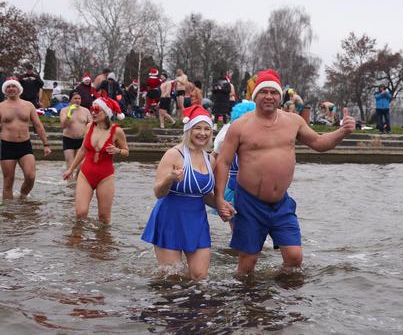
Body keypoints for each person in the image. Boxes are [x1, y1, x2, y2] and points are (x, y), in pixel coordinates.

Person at [214, 69, 356, 275]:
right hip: (249, 203)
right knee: (248, 262)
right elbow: (224, 162)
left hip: (281, 203)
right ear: (256, 96)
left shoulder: (293, 121)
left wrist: (342, 132)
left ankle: (280, 298)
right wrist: (219, 199)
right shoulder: (240, 126)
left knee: (294, 257)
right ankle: (246, 301)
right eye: (264, 92)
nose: (269, 96)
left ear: (280, 96)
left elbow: (319, 143)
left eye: (274, 92)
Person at [141, 105, 219, 280]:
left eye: (206, 129)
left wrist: (223, 207)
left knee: (199, 276)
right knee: (172, 278)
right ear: (188, 130)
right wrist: (170, 178)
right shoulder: (173, 155)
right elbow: (158, 192)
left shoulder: (210, 160)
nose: (202, 133)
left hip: (197, 221)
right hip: (170, 218)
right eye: (197, 128)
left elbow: (205, 195)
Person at [63, 97, 129, 223]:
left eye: (97, 110)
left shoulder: (117, 131)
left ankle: (102, 241)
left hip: (105, 177)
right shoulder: (89, 127)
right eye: (92, 109)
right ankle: (78, 240)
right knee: (80, 213)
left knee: (104, 218)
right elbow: (83, 149)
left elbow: (126, 151)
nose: (93, 112)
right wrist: (70, 169)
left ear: (106, 112)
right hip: (86, 174)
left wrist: (118, 151)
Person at [0, 78, 52, 199]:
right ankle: (9, 213)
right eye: (8, 87)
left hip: (25, 145)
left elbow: (38, 125)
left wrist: (46, 144)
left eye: (13, 86)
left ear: (19, 89)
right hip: (7, 146)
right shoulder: (1, 106)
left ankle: (22, 197)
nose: (11, 88)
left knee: (30, 176)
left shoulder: (28, 105)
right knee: (8, 181)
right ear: (5, 90)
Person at [59, 92, 92, 177]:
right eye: (75, 98)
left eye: (79, 98)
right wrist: (70, 113)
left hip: (81, 140)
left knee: (81, 165)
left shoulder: (86, 111)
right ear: (70, 100)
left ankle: (77, 182)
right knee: (70, 165)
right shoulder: (64, 110)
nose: (77, 100)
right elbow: (63, 125)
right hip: (68, 139)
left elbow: (91, 125)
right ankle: (69, 185)